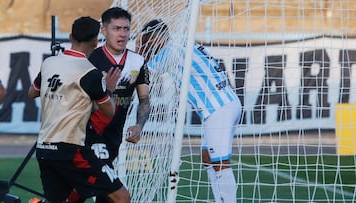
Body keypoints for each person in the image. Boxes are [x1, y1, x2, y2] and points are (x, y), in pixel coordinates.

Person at [136, 19, 242, 203]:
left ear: (156, 38)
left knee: (220, 162)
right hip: (223, 105)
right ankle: (221, 199)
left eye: (148, 41)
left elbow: (145, 70)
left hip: (218, 108)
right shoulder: (184, 42)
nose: (148, 46)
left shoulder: (171, 50)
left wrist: (138, 52)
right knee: (208, 157)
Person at [28, 16, 130, 203]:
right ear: (95, 41)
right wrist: (106, 90)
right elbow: (109, 112)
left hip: (44, 148)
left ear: (70, 36)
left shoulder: (49, 63)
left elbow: (32, 93)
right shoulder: (90, 73)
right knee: (121, 197)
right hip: (71, 149)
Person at [65, 7, 151, 203]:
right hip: (88, 135)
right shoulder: (90, 59)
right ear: (104, 31)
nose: (122, 34)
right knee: (110, 192)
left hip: (113, 137)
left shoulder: (137, 62)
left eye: (126, 29)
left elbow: (144, 99)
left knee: (98, 191)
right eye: (116, 28)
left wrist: (139, 125)